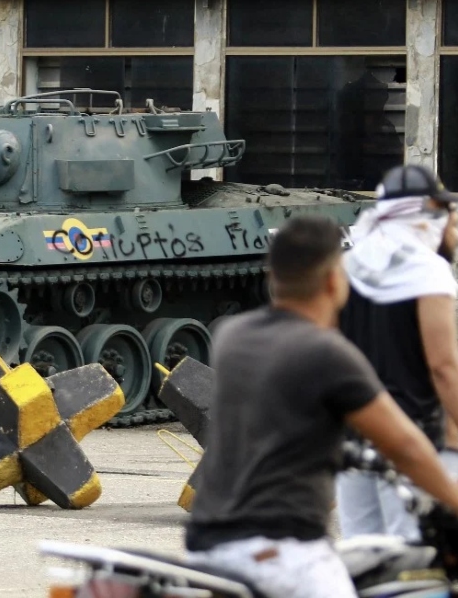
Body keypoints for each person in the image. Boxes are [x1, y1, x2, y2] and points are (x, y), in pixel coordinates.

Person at [184, 216, 458, 598]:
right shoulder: (328, 353)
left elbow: (286, 420)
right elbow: (405, 446)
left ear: (272, 276)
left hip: (207, 544)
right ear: (334, 280)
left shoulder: (234, 336)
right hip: (284, 553)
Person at [336, 164, 458, 541]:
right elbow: (444, 367)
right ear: (429, 214)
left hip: (352, 436)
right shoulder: (427, 271)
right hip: (410, 437)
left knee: (364, 552)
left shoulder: (346, 266)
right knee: (414, 552)